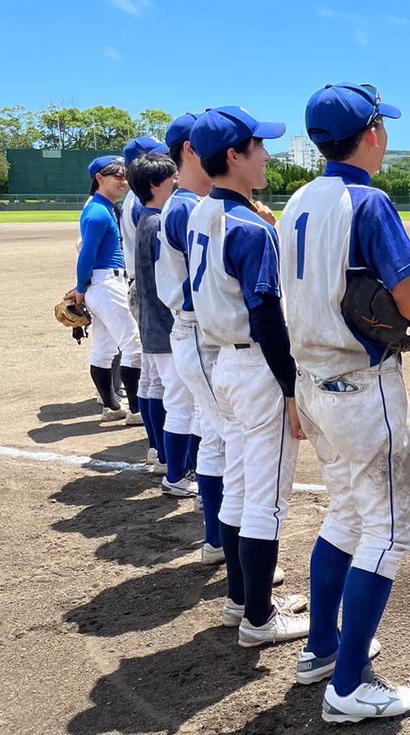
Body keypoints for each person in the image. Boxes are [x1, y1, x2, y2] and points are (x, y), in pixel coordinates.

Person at [280, 82, 410, 723]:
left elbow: (374, 282)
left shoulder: (296, 203)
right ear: (370, 134)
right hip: (363, 390)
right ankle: (347, 688)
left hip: (312, 382)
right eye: (382, 127)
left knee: (344, 516)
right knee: (389, 533)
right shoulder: (369, 200)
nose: (385, 137)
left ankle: (321, 649)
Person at [187, 106, 309, 646]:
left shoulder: (196, 212)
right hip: (257, 367)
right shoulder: (252, 227)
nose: (266, 155)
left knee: (239, 488)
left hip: (223, 364)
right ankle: (259, 619)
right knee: (266, 498)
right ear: (234, 156)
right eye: (258, 146)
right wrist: (291, 388)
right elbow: (266, 316)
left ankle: (240, 599)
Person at [157, 112, 231, 562]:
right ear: (189, 150)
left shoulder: (189, 203)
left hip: (198, 334)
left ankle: (217, 540)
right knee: (221, 436)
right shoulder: (186, 205)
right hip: (198, 333)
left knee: (212, 432)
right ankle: (220, 542)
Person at [127, 152, 201, 497]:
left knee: (162, 392)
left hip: (151, 324)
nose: (177, 181)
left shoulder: (146, 217)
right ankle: (176, 474)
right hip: (165, 326)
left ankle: (166, 462)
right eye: (172, 177)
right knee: (182, 403)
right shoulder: (158, 222)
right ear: (156, 184)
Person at [64, 156, 144, 425]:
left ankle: (112, 406)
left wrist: (84, 287)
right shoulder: (99, 211)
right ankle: (135, 409)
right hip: (107, 283)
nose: (124, 181)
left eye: (124, 176)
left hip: (101, 284)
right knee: (133, 344)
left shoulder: (103, 207)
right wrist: (80, 287)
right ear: (99, 178)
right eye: (117, 176)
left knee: (104, 347)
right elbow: (86, 254)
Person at [123, 136, 171, 454]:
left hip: (140, 285)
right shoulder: (146, 208)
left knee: (151, 379)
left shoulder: (133, 201)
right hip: (150, 290)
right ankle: (165, 453)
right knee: (164, 384)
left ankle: (156, 449)